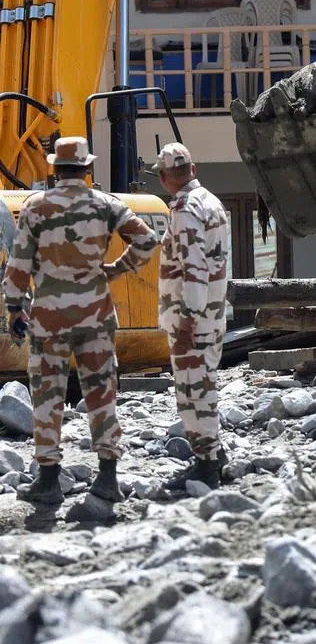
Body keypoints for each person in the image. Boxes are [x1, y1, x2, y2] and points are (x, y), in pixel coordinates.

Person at [3, 137, 159, 505]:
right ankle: (107, 478)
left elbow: (19, 264)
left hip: (49, 317)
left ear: (55, 169)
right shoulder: (107, 205)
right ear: (87, 169)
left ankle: (48, 480)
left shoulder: (35, 207)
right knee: (101, 393)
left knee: (47, 395)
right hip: (97, 313)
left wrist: (14, 310)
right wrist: (117, 269)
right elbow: (149, 240)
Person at [153, 143, 232, 491]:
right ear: (194, 169)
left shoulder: (185, 211)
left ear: (163, 177)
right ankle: (216, 455)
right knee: (205, 385)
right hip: (212, 312)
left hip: (194, 316)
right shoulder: (211, 201)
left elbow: (194, 269)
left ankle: (206, 465)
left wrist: (186, 320)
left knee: (192, 391)